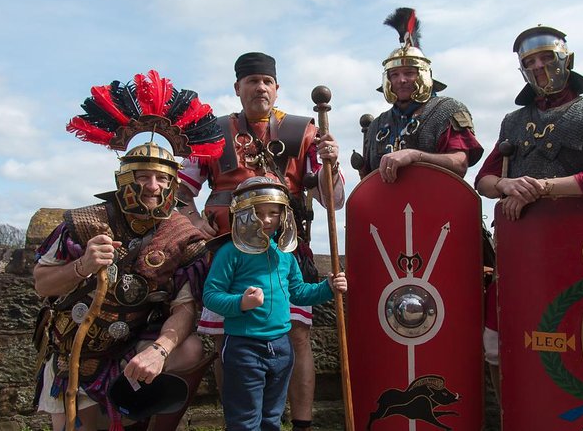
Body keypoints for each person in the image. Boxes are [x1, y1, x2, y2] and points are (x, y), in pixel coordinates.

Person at [33, 71, 224, 430]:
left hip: (130, 348)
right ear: (125, 178)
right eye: (142, 177)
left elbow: (185, 308)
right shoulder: (84, 223)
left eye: (162, 178)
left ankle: (137, 398)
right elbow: (42, 284)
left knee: (194, 348)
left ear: (173, 182)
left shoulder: (183, 236)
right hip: (77, 349)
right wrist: (82, 266)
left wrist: (159, 350)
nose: (153, 186)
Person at [177, 52, 344, 431]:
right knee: (224, 337)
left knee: (297, 334)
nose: (260, 87)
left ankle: (299, 424)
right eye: (252, 81)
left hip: (287, 246)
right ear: (238, 87)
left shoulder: (304, 131)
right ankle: (238, 422)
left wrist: (330, 163)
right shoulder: (211, 131)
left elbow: (334, 199)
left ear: (277, 87)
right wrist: (194, 226)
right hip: (226, 248)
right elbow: (179, 191)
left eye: (266, 81)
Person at [474, 25, 583, 399]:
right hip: (520, 250)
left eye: (545, 58)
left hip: (576, 247)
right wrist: (509, 186)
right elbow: (484, 179)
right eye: (530, 62)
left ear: (565, 60)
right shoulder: (513, 121)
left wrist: (540, 188)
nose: (539, 67)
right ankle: (517, 415)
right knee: (495, 341)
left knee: (580, 335)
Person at [202, 176, 348, 431]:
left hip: (282, 347)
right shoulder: (230, 252)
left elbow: (299, 293)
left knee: (272, 418)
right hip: (243, 348)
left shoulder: (285, 254)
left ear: (284, 215)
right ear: (243, 213)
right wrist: (241, 303)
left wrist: (328, 288)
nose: (267, 220)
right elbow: (211, 295)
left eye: (273, 213)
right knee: (245, 421)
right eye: (258, 213)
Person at [359, 7, 483, 181]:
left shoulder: (448, 110)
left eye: (409, 72)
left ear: (423, 76)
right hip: (389, 205)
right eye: (394, 75)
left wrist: (415, 156)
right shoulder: (377, 125)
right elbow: (368, 179)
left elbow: (459, 164)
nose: (401, 80)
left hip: (436, 202)